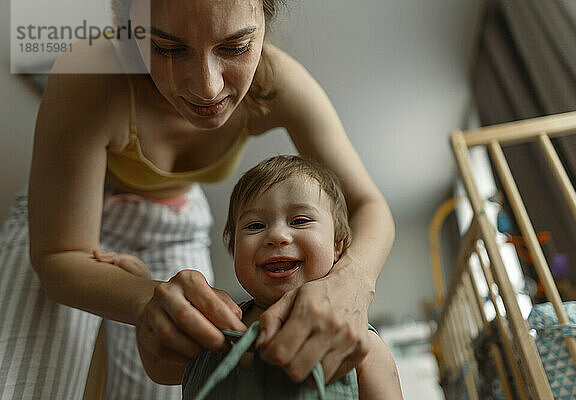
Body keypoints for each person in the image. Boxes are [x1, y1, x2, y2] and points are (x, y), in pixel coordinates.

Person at [0, 0, 395, 399]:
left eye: (236, 47)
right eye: (168, 48)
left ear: (265, 22)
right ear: (127, 26)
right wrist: (143, 297)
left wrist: (350, 284)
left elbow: (367, 206)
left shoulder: (279, 81)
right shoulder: (89, 74)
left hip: (177, 224)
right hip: (68, 221)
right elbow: (58, 254)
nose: (207, 87)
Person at [182, 155, 402, 399]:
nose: (277, 235)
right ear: (234, 249)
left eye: (300, 220)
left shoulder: (362, 346)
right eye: (255, 226)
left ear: (338, 244)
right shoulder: (208, 330)